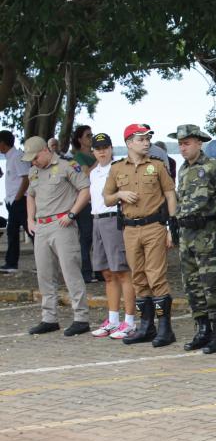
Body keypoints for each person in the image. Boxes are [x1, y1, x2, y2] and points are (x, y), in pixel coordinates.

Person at [103, 123, 178, 347]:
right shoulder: (117, 168)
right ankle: (146, 326)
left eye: (148, 139)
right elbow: (106, 198)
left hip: (154, 226)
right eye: (141, 139)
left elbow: (170, 194)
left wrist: (171, 227)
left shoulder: (157, 165)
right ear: (129, 143)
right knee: (138, 278)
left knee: (156, 277)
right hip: (130, 229)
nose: (146, 143)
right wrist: (120, 194)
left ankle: (165, 328)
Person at [23, 136, 91, 336]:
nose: (33, 162)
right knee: (44, 275)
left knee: (71, 272)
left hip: (62, 224)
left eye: (35, 157)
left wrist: (72, 214)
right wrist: (30, 219)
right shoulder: (34, 171)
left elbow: (85, 189)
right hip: (41, 226)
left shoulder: (67, 165)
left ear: (45, 150)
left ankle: (81, 318)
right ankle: (49, 318)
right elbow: (30, 196)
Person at [169, 124, 216, 354]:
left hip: (205, 232)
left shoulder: (212, 166)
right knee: (191, 283)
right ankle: (202, 329)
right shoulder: (183, 169)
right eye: (180, 144)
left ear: (199, 143)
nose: (183, 148)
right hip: (186, 233)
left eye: (187, 143)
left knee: (210, 283)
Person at [87, 133, 136, 340]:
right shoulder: (94, 172)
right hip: (97, 220)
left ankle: (130, 321)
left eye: (105, 147)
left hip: (113, 219)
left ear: (111, 148)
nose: (102, 152)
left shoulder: (119, 168)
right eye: (98, 148)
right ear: (93, 151)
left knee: (122, 271)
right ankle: (113, 319)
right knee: (107, 273)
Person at [71, 125, 99, 283]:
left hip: (99, 201)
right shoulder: (79, 157)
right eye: (88, 135)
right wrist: (99, 160)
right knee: (86, 237)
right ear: (80, 139)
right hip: (85, 202)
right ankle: (86, 271)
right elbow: (86, 173)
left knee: (98, 237)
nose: (91, 138)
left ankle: (100, 270)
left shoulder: (94, 154)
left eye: (92, 135)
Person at [1, 130, 30, 273]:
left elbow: (26, 178)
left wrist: (18, 198)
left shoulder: (17, 156)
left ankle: (45, 261)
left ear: (3, 143)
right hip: (13, 201)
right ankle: (11, 263)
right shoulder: (10, 157)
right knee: (12, 232)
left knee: (31, 231)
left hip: (20, 200)